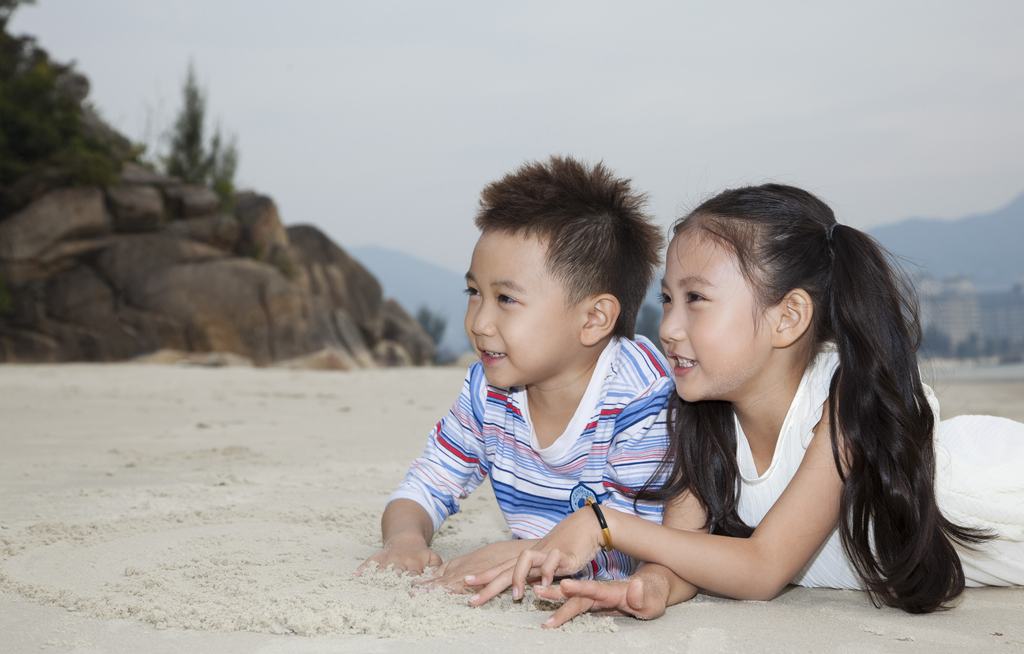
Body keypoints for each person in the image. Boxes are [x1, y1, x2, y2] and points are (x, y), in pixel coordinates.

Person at [465, 183, 1024, 627]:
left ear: (788, 317)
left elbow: (762, 570)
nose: (670, 327)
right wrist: (653, 585)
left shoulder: (844, 406)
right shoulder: (702, 417)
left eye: (697, 300)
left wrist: (604, 524)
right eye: (666, 299)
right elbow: (687, 549)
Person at [356, 156, 675, 593]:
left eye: (506, 298)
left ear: (594, 318)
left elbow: (643, 545)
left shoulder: (641, 397)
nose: (480, 323)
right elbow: (429, 481)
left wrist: (517, 553)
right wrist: (405, 539)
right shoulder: (488, 389)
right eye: (474, 292)